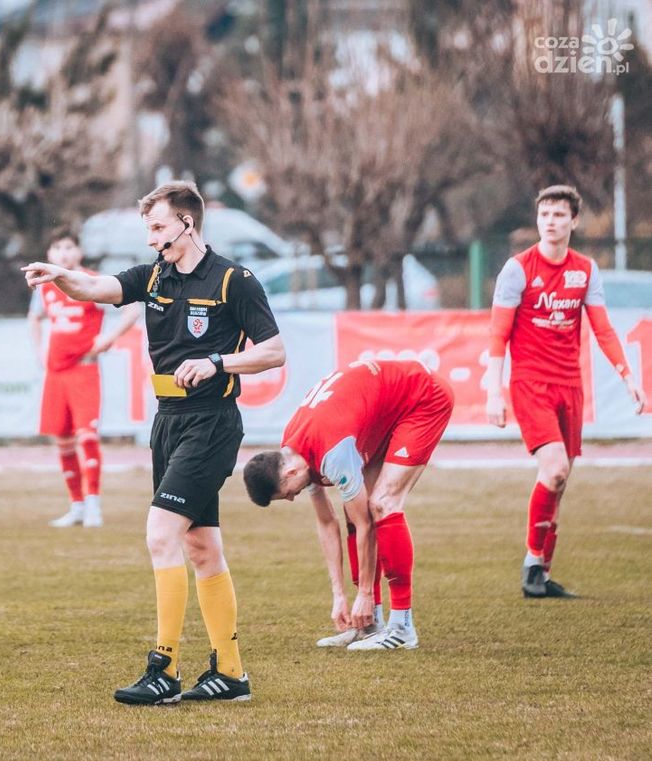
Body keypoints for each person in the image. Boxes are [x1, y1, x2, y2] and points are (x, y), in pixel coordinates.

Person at [24, 181, 285, 705]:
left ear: (188, 224)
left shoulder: (236, 279)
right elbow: (95, 289)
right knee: (200, 545)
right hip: (168, 422)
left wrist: (217, 362)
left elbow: (274, 351)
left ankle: (163, 668)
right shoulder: (156, 276)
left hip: (212, 421)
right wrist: (59, 278)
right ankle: (231, 674)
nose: (152, 239)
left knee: (160, 533)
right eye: (149, 229)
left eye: (159, 227)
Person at [486, 185, 646, 599]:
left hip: (570, 386)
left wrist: (629, 377)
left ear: (574, 221)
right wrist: (493, 390)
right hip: (530, 384)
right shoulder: (517, 269)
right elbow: (498, 333)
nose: (551, 221)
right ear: (537, 220)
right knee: (554, 469)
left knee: (560, 480)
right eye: (544, 215)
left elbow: (603, 329)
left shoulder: (586, 270)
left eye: (559, 215)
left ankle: (540, 571)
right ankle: (530, 568)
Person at [243, 359, 455, 652]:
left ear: (290, 473)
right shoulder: (293, 452)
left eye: (287, 494)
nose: (292, 498)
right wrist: (339, 596)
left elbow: (366, 525)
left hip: (423, 397)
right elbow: (327, 523)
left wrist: (365, 593)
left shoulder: (331, 453)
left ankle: (402, 626)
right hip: (385, 410)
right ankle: (369, 625)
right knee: (352, 511)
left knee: (381, 504)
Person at [28, 226, 141, 529]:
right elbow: (34, 318)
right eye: (56, 249)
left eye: (68, 247)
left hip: (84, 367)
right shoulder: (45, 285)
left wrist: (108, 339)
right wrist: (39, 349)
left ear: (78, 251)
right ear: (49, 254)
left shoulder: (92, 282)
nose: (63, 254)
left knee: (87, 436)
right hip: (56, 370)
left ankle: (93, 504)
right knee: (62, 440)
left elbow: (132, 309)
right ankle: (76, 505)